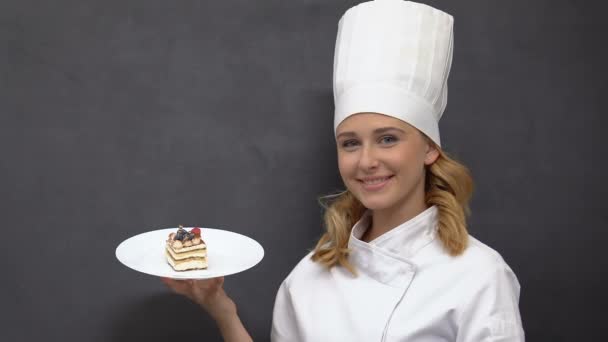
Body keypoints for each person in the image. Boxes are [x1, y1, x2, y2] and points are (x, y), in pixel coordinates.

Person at [163, 0, 525, 341]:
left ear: (429, 148)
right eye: (350, 143)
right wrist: (222, 311)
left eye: (387, 139)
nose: (366, 161)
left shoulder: (479, 275)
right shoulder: (308, 277)